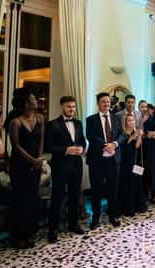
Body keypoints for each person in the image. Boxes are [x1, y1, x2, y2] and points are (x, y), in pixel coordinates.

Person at [6, 88, 44, 249]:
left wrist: (39, 158)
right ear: (26, 103)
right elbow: (16, 146)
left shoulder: (40, 118)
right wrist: (32, 160)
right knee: (20, 200)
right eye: (34, 99)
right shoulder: (15, 122)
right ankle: (17, 236)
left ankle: (29, 233)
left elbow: (41, 140)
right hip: (20, 166)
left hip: (36, 164)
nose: (36, 101)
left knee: (31, 199)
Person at [46, 96, 86, 243]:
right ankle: (53, 229)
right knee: (57, 197)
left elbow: (82, 141)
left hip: (76, 165)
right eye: (69, 106)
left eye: (73, 107)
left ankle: (73, 223)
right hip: (60, 166)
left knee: (75, 195)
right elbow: (48, 147)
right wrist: (66, 150)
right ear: (62, 107)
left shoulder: (79, 123)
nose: (71, 109)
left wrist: (82, 148)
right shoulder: (53, 124)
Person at [86, 92, 127, 229]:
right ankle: (95, 218)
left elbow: (122, 135)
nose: (106, 104)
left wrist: (114, 144)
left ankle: (112, 215)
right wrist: (106, 146)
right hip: (97, 160)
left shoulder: (116, 118)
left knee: (113, 189)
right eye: (103, 102)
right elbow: (90, 136)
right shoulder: (90, 120)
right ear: (98, 103)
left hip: (114, 160)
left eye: (108, 102)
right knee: (96, 190)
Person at [119, 114, 147, 216]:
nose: (131, 122)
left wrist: (139, 137)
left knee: (136, 183)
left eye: (133, 120)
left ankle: (136, 206)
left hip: (135, 161)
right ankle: (127, 207)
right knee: (127, 183)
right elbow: (124, 145)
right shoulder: (122, 133)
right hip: (125, 161)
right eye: (129, 120)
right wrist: (133, 136)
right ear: (125, 122)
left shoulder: (136, 132)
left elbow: (137, 146)